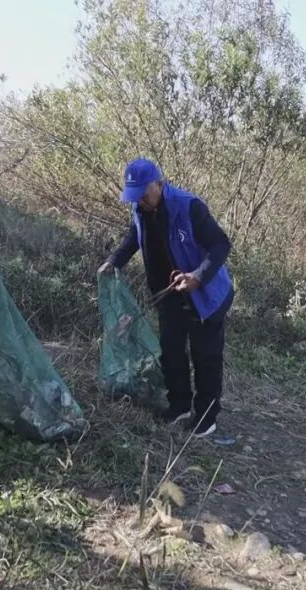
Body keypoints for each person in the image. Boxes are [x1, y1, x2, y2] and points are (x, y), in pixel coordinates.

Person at [99, 158, 233, 437]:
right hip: (171, 294)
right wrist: (114, 261)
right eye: (135, 196)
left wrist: (197, 276)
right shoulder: (140, 209)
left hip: (206, 295)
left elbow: (221, 244)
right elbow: (133, 238)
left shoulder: (188, 206)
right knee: (171, 350)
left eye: (144, 194)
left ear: (159, 184)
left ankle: (207, 417)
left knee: (205, 355)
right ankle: (179, 405)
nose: (141, 202)